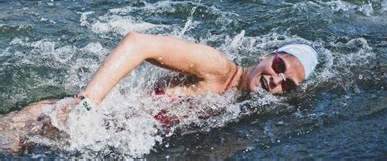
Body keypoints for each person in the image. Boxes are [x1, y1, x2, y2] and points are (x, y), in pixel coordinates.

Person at [0, 32, 318, 153]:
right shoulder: (218, 67)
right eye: (279, 66)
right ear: (267, 56)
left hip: (97, 138)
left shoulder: (240, 107)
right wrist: (89, 102)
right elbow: (139, 43)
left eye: (287, 84)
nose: (276, 80)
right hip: (56, 120)